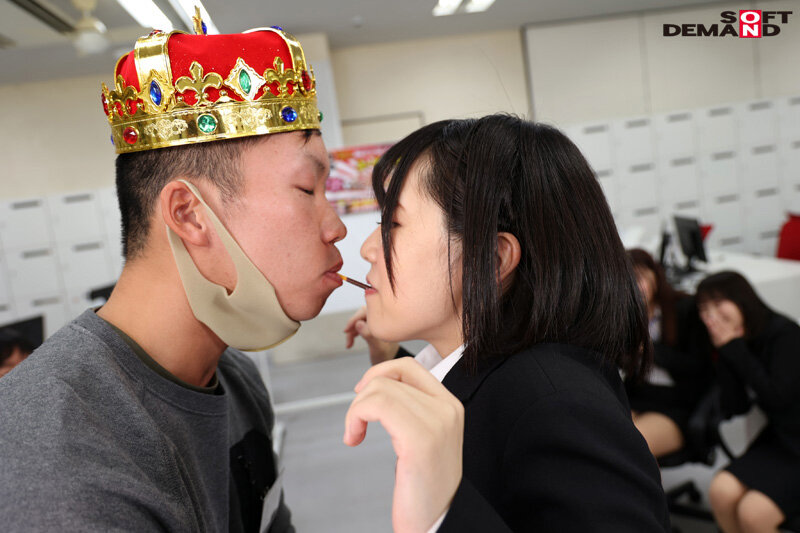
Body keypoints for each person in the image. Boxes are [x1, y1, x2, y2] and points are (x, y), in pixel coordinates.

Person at [0, 20, 458, 532]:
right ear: (190, 215)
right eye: (307, 190)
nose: (336, 228)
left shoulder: (234, 378)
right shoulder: (55, 465)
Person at [343, 115, 671, 531]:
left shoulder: (557, 404)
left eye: (392, 224)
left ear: (492, 259)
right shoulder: (494, 375)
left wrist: (443, 512)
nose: (368, 248)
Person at [697, 271, 800, 533]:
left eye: (718, 304)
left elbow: (778, 398)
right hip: (779, 440)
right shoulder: (738, 341)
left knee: (753, 514)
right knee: (720, 491)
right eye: (704, 309)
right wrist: (725, 352)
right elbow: (736, 406)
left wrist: (734, 348)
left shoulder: (785, 335)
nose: (711, 316)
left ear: (741, 299)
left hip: (796, 439)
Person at [624, 248, 714, 458]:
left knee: (630, 449)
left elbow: (698, 366)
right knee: (603, 440)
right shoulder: (626, 314)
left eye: (639, 278)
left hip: (676, 403)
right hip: (639, 396)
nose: (635, 288)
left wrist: (648, 349)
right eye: (627, 282)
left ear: (655, 276)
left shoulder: (684, 309)